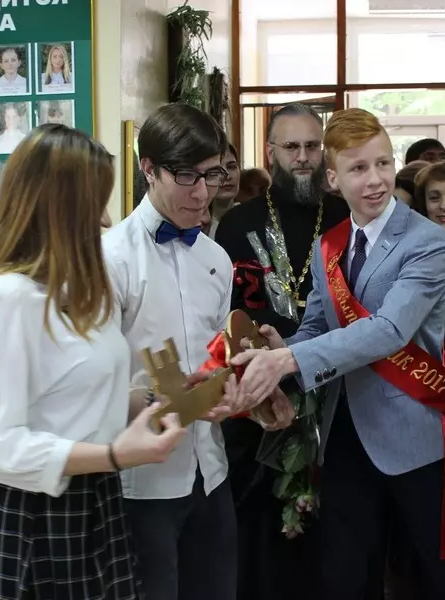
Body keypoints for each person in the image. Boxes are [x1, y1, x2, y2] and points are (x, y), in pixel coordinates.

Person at [232, 108, 445, 600]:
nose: (375, 180)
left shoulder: (427, 241)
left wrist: (289, 361)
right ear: (333, 178)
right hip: (345, 432)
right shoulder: (331, 244)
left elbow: (389, 330)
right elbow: (317, 326)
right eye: (359, 168)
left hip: (416, 431)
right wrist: (282, 347)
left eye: (383, 163)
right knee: (346, 573)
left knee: (440, 575)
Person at [0, 124, 192, 599]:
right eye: (96, 202)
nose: (106, 220)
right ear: (59, 208)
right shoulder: (7, 298)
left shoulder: (73, 291)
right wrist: (115, 456)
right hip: (35, 517)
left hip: (94, 502)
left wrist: (165, 399)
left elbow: (78, 401)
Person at [103, 103, 292, 600]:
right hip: (140, 482)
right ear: (148, 168)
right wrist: (166, 401)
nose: (203, 192)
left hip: (210, 472)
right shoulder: (111, 258)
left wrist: (254, 396)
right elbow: (92, 384)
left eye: (213, 175)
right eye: (186, 176)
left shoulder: (216, 257)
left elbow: (216, 359)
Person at [214, 102, 351, 600]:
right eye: (291, 146)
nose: (303, 157)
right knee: (260, 533)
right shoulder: (236, 224)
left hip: (338, 393)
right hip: (260, 400)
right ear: (270, 151)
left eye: (312, 146)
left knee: (334, 530)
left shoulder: (346, 217)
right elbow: (227, 316)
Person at [208, 143, 239, 238]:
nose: (227, 176)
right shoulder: (192, 225)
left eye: (231, 167)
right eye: (216, 169)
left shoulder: (252, 216)